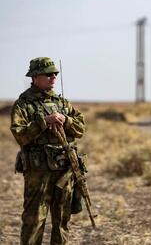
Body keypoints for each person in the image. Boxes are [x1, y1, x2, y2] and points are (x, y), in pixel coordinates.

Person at [10, 57, 86, 245]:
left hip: (64, 171)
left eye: (55, 74)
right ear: (35, 76)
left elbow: (80, 129)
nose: (53, 77)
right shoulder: (23, 104)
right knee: (34, 220)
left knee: (62, 220)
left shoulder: (62, 103)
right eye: (48, 74)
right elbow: (20, 135)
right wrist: (44, 122)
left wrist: (65, 120)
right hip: (38, 173)